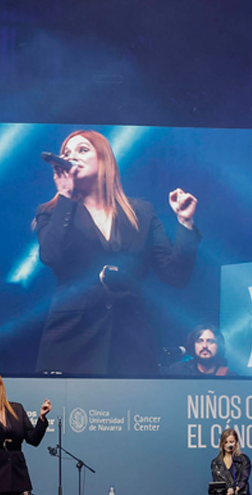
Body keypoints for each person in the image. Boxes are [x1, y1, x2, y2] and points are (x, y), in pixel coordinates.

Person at [35, 129, 202, 376]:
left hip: (131, 341)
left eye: (83, 149)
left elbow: (175, 276)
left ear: (104, 159)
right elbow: (51, 256)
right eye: (67, 153)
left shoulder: (141, 212)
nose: (73, 157)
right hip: (73, 339)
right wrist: (65, 195)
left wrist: (185, 223)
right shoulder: (53, 212)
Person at [164, 324, 231, 376]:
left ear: (219, 346)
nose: (204, 346)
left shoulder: (229, 376)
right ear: (193, 345)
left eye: (210, 341)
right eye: (200, 341)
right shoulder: (177, 370)